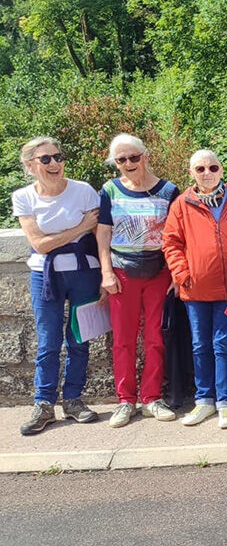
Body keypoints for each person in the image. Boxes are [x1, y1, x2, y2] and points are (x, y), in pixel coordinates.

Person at [12, 137, 101, 435]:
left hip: (84, 273)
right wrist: (78, 228)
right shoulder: (23, 197)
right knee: (48, 341)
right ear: (30, 166)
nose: (54, 164)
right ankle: (44, 403)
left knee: (79, 338)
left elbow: (98, 234)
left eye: (57, 157)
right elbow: (38, 243)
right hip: (44, 276)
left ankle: (74, 400)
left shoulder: (84, 191)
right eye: (45, 159)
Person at [96, 133, 180, 428]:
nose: (129, 163)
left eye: (134, 157)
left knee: (155, 337)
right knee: (123, 339)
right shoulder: (109, 190)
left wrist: (175, 273)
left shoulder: (168, 191)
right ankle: (125, 400)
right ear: (115, 163)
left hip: (158, 271)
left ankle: (152, 397)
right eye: (122, 159)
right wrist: (106, 272)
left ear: (145, 156)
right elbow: (103, 234)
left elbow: (176, 235)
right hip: (121, 272)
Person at [161, 150, 227, 428]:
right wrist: (183, 273)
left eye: (212, 167)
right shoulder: (181, 204)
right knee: (200, 346)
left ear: (221, 169)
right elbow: (171, 242)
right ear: (192, 173)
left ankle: (226, 402)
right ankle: (204, 400)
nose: (207, 172)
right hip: (195, 289)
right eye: (200, 169)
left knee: (223, 346)